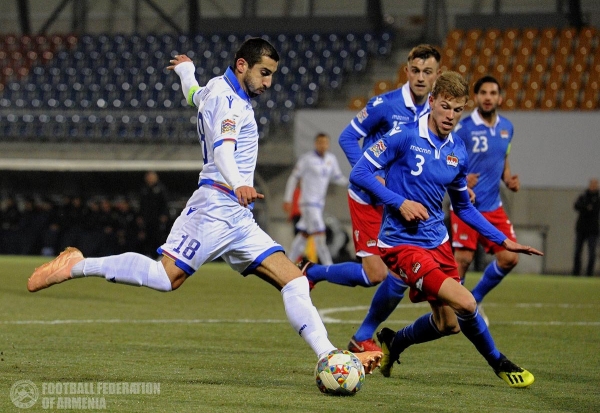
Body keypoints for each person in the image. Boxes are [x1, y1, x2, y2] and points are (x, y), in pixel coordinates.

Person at [26, 37, 381, 373]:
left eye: (272, 74)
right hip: (214, 206)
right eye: (264, 73)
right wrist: (240, 182)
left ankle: (328, 356)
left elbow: (193, 95)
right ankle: (78, 265)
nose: (269, 83)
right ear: (243, 65)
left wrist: (185, 71)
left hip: (237, 217)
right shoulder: (230, 102)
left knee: (294, 281)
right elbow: (225, 149)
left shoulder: (215, 87)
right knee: (166, 278)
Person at [349, 71, 543, 388]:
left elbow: (463, 207)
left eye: (457, 109)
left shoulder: (457, 152)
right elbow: (360, 172)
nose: (450, 116)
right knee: (467, 303)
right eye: (445, 107)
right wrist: (399, 202)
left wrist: (504, 240)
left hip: (438, 242)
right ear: (433, 102)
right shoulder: (404, 136)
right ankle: (500, 363)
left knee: (448, 324)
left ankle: (394, 342)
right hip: (402, 244)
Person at [299, 44, 442, 353]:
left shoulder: (435, 112)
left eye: (427, 72)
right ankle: (312, 272)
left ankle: (362, 337)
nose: (420, 78)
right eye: (415, 71)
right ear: (406, 71)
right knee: (375, 274)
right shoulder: (385, 104)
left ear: (436, 75)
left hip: (402, 203)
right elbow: (347, 137)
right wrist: (369, 172)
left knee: (400, 275)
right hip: (369, 198)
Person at [449, 75, 521, 325]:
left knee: (510, 257)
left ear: (499, 98)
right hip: (465, 205)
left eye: (492, 93)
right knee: (464, 260)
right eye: (483, 93)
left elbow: (503, 158)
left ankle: (474, 299)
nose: (488, 97)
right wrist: (461, 176)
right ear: (476, 98)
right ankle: (453, 311)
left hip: (493, 207)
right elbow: (449, 157)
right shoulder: (464, 128)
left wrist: (508, 179)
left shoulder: (507, 128)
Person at [283, 133, 348, 265]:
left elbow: (337, 177)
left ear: (328, 144)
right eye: (319, 142)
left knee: (303, 235)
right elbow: (293, 177)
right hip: (308, 203)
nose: (322, 145)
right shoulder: (306, 159)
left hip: (319, 204)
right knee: (320, 234)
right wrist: (287, 198)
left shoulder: (331, 159)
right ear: (315, 143)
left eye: (325, 143)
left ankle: (288, 263)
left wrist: (352, 183)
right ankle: (329, 267)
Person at [573, 178, 600, 276]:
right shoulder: (584, 196)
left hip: (593, 230)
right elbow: (576, 206)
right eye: (592, 184)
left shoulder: (598, 198)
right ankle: (576, 273)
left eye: (595, 184)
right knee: (577, 252)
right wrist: (587, 207)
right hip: (581, 228)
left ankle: (589, 274)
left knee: (592, 253)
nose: (593, 186)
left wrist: (588, 208)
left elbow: (594, 209)